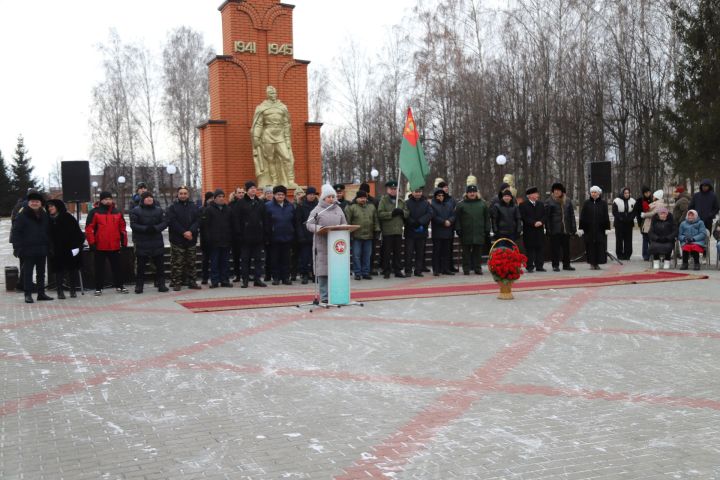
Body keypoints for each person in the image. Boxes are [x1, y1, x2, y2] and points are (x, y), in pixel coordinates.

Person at [305, 184, 347, 303]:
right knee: (323, 271)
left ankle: (336, 295)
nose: (331, 198)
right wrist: (320, 228)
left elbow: (344, 223)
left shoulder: (338, 209)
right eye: (329, 196)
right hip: (322, 244)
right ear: (323, 198)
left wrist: (343, 229)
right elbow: (308, 224)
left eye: (333, 196)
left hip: (337, 245)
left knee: (336, 270)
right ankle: (324, 297)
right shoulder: (317, 210)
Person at [11, 191, 53, 303]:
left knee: (41, 273)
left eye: (37, 201)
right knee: (28, 273)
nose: (34, 203)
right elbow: (16, 232)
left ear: (40, 203)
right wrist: (17, 248)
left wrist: (49, 245)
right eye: (32, 201)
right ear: (28, 203)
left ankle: (41, 294)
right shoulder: (22, 214)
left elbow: (49, 231)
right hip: (27, 249)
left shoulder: (44, 214)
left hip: (42, 248)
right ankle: (27, 294)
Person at [251, 85, 297, 188]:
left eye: (275, 93)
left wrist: (288, 139)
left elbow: (286, 124)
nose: (274, 95)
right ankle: (275, 180)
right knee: (270, 159)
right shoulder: (261, 107)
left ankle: (290, 180)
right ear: (267, 95)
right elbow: (258, 124)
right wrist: (256, 137)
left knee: (287, 157)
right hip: (267, 135)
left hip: (280, 135)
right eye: (271, 93)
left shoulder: (282, 107)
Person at [85, 191, 129, 295]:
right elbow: (89, 229)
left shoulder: (117, 212)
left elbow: (122, 228)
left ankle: (120, 286)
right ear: (101, 200)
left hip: (114, 246)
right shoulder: (94, 212)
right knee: (99, 269)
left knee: (117, 268)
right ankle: (98, 288)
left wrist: (124, 243)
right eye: (105, 199)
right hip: (100, 246)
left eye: (109, 199)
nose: (108, 201)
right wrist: (92, 243)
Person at [130, 191, 168, 293]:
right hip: (142, 242)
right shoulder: (136, 211)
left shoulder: (159, 210)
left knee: (160, 266)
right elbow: (133, 225)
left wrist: (155, 228)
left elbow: (164, 222)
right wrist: (145, 229)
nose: (149, 199)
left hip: (157, 242)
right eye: (147, 197)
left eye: (151, 197)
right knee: (141, 266)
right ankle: (139, 286)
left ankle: (161, 285)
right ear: (143, 199)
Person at [46, 199, 85, 299]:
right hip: (56, 249)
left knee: (71, 269)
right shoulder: (48, 219)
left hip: (69, 248)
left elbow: (77, 233)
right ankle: (60, 291)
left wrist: (77, 246)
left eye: (52, 206)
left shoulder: (68, 217)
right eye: (49, 207)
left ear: (58, 207)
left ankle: (72, 290)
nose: (50, 208)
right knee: (58, 270)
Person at [233, 181, 267, 288]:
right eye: (251, 188)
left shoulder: (260, 202)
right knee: (245, 259)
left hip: (258, 236)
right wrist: (239, 233)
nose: (253, 190)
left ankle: (257, 279)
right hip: (245, 237)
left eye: (254, 188)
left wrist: (264, 232)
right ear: (247, 190)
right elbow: (236, 219)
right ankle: (245, 280)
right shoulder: (241, 202)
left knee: (258, 259)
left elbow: (265, 219)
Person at [166, 186, 201, 291]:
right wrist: (183, 232)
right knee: (178, 263)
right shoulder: (172, 207)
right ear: (178, 195)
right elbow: (172, 221)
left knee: (191, 262)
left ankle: (192, 282)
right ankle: (177, 282)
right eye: (181, 193)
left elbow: (198, 220)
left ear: (188, 195)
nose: (183, 195)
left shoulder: (194, 206)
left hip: (191, 239)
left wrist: (191, 231)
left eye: (185, 193)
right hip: (177, 240)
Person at [344, 190, 380, 280]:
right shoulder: (352, 207)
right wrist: (349, 233)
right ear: (357, 198)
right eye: (361, 198)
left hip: (369, 236)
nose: (363, 199)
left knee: (367, 255)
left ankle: (366, 272)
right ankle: (357, 273)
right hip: (356, 236)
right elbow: (348, 221)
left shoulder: (371, 207)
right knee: (356, 255)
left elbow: (375, 219)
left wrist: (377, 230)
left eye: (364, 198)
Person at [455, 185, 490, 275]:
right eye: (470, 192)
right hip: (466, 232)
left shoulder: (483, 204)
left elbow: (487, 218)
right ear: (466, 193)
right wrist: (458, 229)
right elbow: (457, 218)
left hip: (479, 232)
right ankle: (466, 269)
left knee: (477, 252)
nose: (472, 193)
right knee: (466, 252)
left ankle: (477, 268)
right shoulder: (461, 205)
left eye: (474, 192)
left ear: (476, 193)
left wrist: (487, 229)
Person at [202, 189, 233, 288]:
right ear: (214, 198)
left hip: (226, 240)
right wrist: (208, 239)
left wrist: (230, 237)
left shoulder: (228, 209)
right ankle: (215, 281)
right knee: (214, 262)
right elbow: (205, 227)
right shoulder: (209, 210)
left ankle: (225, 280)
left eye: (222, 196)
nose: (221, 198)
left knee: (225, 262)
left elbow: (232, 224)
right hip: (213, 241)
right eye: (219, 197)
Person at [264, 185, 296, 285]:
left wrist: (292, 232)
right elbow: (266, 222)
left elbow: (294, 221)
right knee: (275, 259)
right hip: (274, 237)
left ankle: (286, 277)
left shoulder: (290, 206)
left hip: (287, 237)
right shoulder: (268, 206)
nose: (280, 196)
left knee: (286, 259)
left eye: (282, 194)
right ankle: (276, 278)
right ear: (274, 195)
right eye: (278, 194)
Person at [377, 180, 409, 278]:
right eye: (392, 189)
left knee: (398, 252)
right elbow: (380, 214)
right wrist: (391, 214)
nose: (394, 191)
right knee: (387, 252)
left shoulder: (401, 201)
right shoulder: (383, 201)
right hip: (387, 231)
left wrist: (402, 212)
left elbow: (407, 213)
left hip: (398, 231)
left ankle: (397, 270)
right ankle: (386, 270)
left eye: (395, 189)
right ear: (387, 190)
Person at [545, 182, 577, 272]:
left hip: (565, 229)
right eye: (555, 190)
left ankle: (566, 264)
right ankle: (555, 265)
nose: (556, 192)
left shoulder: (568, 200)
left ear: (562, 192)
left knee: (566, 248)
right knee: (555, 249)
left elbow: (572, 215)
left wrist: (573, 227)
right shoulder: (549, 201)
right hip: (555, 229)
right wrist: (548, 229)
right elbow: (547, 217)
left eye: (558, 191)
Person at [578, 186, 611, 270]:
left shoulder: (603, 203)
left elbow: (606, 216)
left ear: (599, 193)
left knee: (599, 246)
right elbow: (583, 216)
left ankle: (597, 263)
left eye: (595, 192)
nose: (593, 194)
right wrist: (581, 228)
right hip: (589, 229)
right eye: (592, 192)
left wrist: (607, 228)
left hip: (599, 229)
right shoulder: (586, 203)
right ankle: (592, 263)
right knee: (590, 246)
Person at [403, 187, 433, 277]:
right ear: (412, 192)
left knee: (420, 253)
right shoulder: (406, 203)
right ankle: (408, 270)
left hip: (421, 231)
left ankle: (418, 270)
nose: (418, 193)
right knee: (409, 252)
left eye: (419, 192)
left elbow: (430, 214)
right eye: (416, 192)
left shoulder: (426, 203)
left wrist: (420, 222)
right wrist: (412, 222)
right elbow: (405, 214)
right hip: (410, 231)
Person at [519, 187, 546, 272]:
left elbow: (545, 215)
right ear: (529, 195)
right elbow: (523, 217)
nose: (537, 195)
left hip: (539, 230)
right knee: (530, 249)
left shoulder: (541, 204)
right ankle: (530, 266)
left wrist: (541, 222)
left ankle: (539, 266)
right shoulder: (523, 205)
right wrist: (533, 223)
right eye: (535, 193)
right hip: (529, 230)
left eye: (537, 193)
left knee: (540, 248)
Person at [294, 186, 318, 284]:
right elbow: (298, 222)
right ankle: (304, 274)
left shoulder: (319, 206)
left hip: (316, 235)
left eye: (313, 194)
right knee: (305, 257)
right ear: (306, 195)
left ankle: (314, 274)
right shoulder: (301, 206)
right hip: (304, 236)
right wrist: (300, 235)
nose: (312, 196)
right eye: (310, 194)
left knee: (315, 257)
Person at [430, 188, 455, 276]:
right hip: (438, 232)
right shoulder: (432, 205)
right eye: (439, 196)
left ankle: (446, 269)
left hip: (447, 232)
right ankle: (436, 269)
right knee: (437, 252)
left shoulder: (448, 205)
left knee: (446, 252)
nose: (441, 197)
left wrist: (450, 221)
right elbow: (434, 217)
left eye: (442, 195)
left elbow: (453, 215)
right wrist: (444, 222)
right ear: (436, 196)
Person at [437, 181, 458, 272]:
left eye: (446, 187)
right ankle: (441, 267)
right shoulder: (437, 199)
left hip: (450, 226)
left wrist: (450, 221)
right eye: (443, 187)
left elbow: (454, 212)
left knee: (449, 248)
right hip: (440, 227)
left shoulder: (451, 199)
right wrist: (443, 221)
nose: (445, 188)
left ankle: (450, 266)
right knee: (440, 249)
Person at [611, 187, 636, 260]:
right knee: (619, 240)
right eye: (625, 193)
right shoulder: (616, 201)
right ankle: (620, 254)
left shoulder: (633, 201)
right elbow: (614, 212)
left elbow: (634, 212)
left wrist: (630, 218)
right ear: (622, 193)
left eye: (628, 193)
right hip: (619, 223)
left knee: (628, 239)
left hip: (629, 223)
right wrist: (621, 218)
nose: (627, 194)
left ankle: (627, 254)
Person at [229, 186, 247, 282]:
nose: (241, 194)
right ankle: (237, 275)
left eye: (242, 192)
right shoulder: (231, 205)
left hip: (246, 235)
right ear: (235, 194)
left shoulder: (247, 203)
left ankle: (246, 275)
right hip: (235, 236)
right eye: (239, 192)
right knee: (236, 257)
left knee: (246, 257)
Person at [199, 191, 215, 284]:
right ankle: (204, 277)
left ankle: (214, 277)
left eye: (213, 198)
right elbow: (201, 224)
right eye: (210, 199)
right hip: (205, 239)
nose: (211, 200)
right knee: (205, 259)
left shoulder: (215, 209)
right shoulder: (202, 209)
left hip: (215, 238)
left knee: (214, 259)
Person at [634, 186, 653, 260]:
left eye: (649, 192)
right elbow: (637, 212)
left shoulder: (652, 200)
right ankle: (645, 255)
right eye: (646, 193)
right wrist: (640, 221)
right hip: (643, 222)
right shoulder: (639, 200)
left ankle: (651, 254)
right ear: (643, 193)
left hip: (651, 222)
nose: (648, 194)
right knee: (645, 239)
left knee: (651, 239)